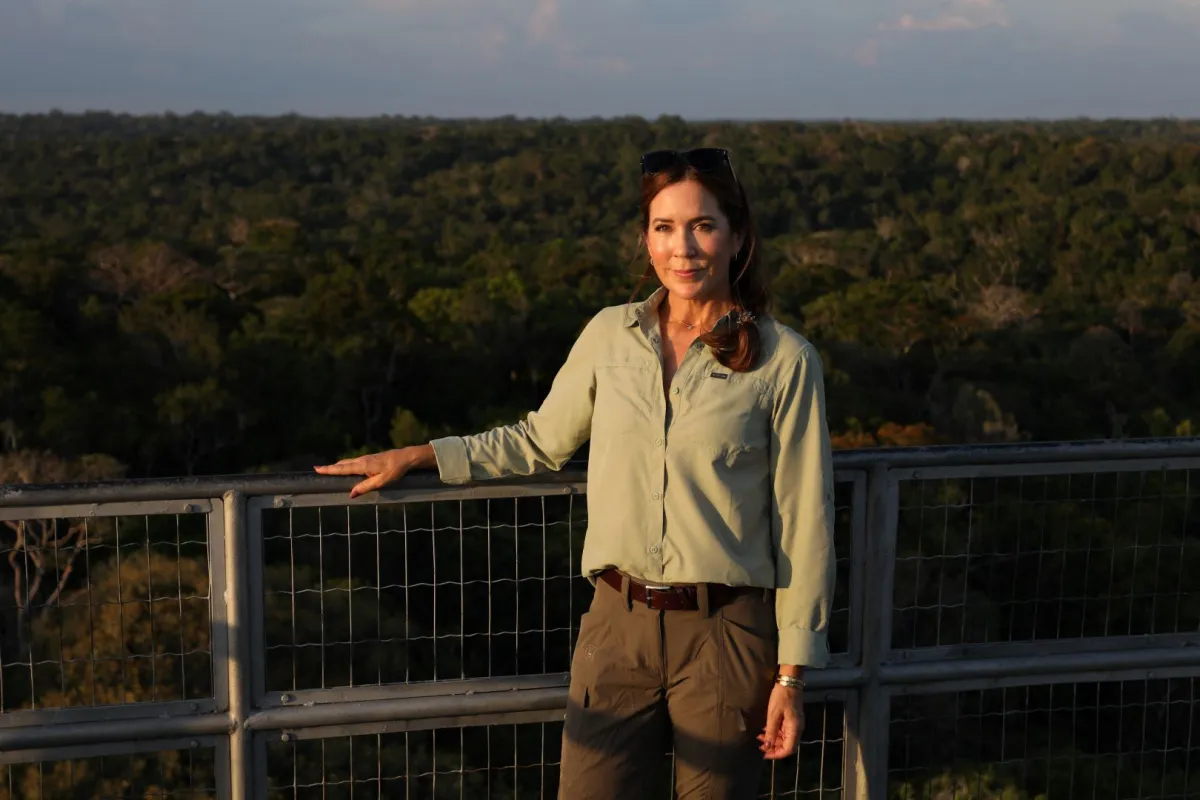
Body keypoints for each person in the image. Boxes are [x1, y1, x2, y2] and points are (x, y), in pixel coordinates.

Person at [315, 147, 837, 799]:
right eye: (664, 226)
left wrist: (792, 675)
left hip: (727, 635)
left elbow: (804, 524)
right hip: (617, 626)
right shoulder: (609, 337)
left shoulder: (784, 361)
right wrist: (421, 455)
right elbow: (539, 441)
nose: (684, 247)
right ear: (646, 237)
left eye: (702, 225)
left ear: (736, 237)